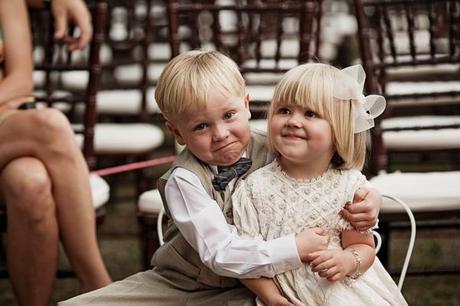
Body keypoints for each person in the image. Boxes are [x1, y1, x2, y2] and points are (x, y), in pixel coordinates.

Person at [60, 50, 382, 306]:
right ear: (177, 133)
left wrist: (370, 199)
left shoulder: (277, 145)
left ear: (245, 105)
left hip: (266, 283)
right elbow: (220, 254)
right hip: (187, 283)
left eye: (228, 116)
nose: (220, 135)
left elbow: (329, 176)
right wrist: (293, 248)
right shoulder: (184, 180)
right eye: (201, 126)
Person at [232, 63, 407, 305]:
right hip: (283, 296)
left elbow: (362, 246)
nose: (293, 121)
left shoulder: (348, 187)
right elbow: (246, 259)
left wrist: (347, 261)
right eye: (284, 110)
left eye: (310, 114)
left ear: (339, 130)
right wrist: (271, 297)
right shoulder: (254, 188)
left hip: (338, 291)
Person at [0, 1, 111, 306]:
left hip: (9, 129)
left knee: (30, 181)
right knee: (50, 124)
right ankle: (97, 285)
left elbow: (21, 81)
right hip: (14, 124)